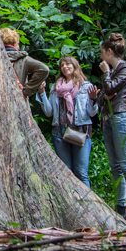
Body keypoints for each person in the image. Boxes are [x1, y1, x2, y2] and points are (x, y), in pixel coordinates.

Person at [88, 33, 126, 225]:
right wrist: (105, 93)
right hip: (108, 119)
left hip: (120, 118)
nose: (101, 58)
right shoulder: (116, 71)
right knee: (115, 167)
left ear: (109, 51)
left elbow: (109, 90)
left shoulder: (124, 69)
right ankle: (120, 209)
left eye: (102, 53)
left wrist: (106, 74)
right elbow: (104, 95)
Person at [35, 57, 99, 187]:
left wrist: (93, 99)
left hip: (81, 133)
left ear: (75, 65)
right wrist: (42, 93)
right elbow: (49, 112)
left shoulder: (85, 86)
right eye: (62, 65)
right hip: (60, 133)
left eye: (68, 63)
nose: (65, 66)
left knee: (81, 172)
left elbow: (92, 113)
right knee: (67, 172)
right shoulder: (56, 87)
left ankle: (86, 204)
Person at [0, 28, 49, 98]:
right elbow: (44, 69)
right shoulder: (23, 59)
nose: (19, 47)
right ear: (14, 43)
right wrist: (26, 91)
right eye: (18, 44)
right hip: (17, 99)